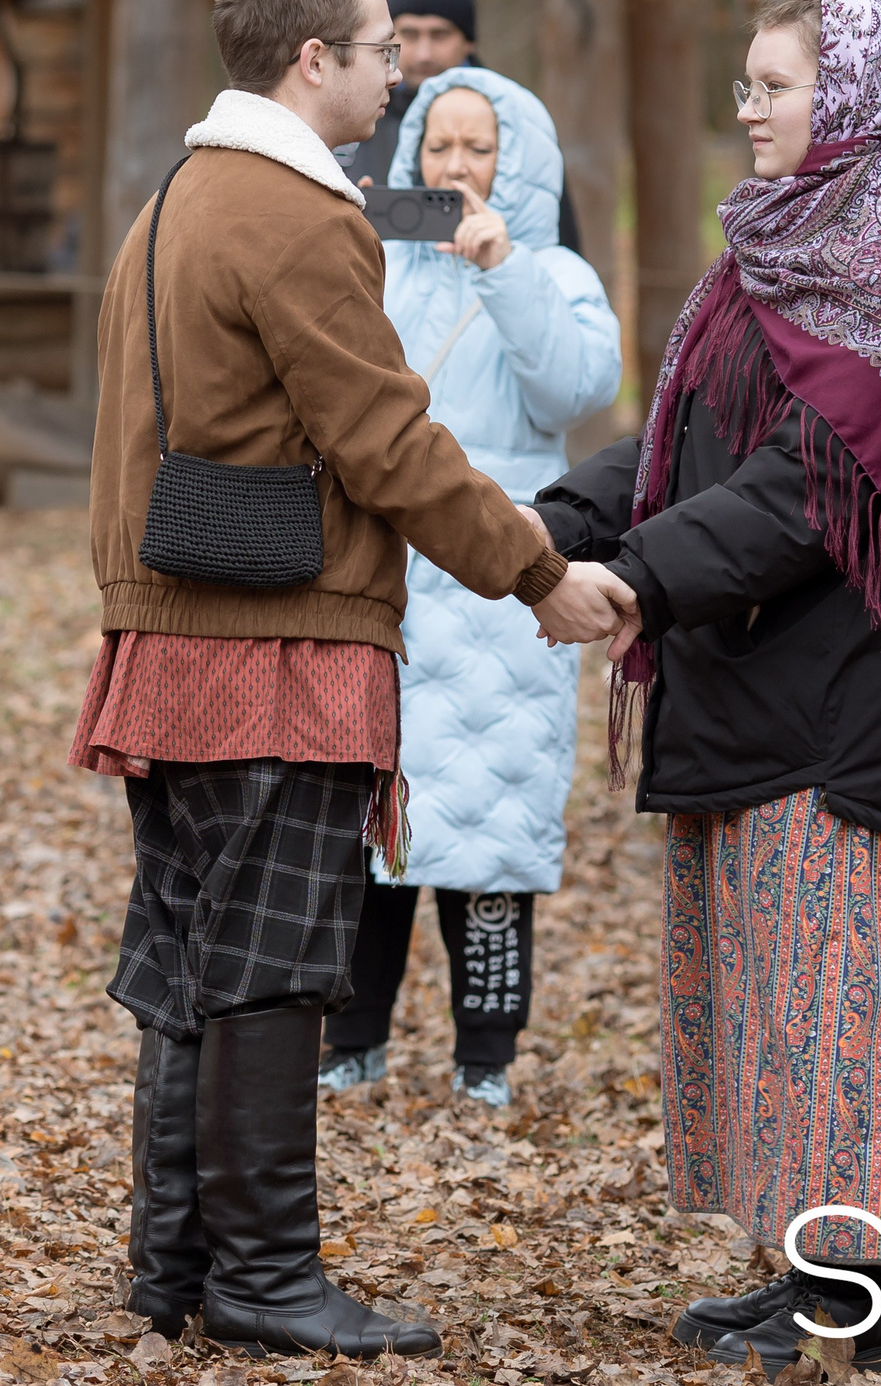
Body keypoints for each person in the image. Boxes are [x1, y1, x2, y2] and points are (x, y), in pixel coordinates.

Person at [68, 0, 635, 1360]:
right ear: (313, 58)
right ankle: (261, 1275)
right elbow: (385, 439)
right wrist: (537, 571)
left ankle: (174, 1264)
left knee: (194, 954)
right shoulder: (293, 213)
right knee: (267, 963)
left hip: (172, 631)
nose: (402, 75)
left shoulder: (178, 198)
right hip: (273, 642)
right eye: (384, 50)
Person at [532, 0, 881, 1377]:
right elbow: (698, 440)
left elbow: (817, 483)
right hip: (759, 687)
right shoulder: (774, 248)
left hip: (859, 704)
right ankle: (811, 1267)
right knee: (777, 1000)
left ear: (848, 96)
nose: (746, 108)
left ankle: (866, 1291)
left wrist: (638, 578)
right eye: (741, 84)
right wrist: (559, 520)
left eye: (772, 85)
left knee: (842, 997)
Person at [319, 68, 621, 1109]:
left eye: (476, 148)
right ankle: (350, 1039)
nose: (454, 166)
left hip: (504, 577)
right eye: (437, 147)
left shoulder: (557, 272)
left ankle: (483, 1057)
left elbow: (579, 386)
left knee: (492, 839)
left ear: (517, 163)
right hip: (390, 575)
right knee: (373, 830)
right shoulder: (379, 269)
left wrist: (504, 271)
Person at [338, 0, 581, 253]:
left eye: (439, 35)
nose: (424, 52)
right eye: (410, 35)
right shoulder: (358, 114)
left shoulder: (512, 116)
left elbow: (555, 241)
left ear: (468, 40)